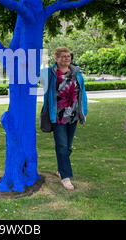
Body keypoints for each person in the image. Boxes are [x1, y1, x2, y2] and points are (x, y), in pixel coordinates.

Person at [40, 47, 88, 191]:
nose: (67, 58)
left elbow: (82, 93)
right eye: (63, 56)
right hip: (58, 116)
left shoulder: (77, 73)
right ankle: (65, 177)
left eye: (68, 56)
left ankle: (61, 169)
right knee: (61, 146)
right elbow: (32, 77)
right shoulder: (48, 73)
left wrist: (82, 112)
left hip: (73, 115)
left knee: (67, 147)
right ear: (56, 58)